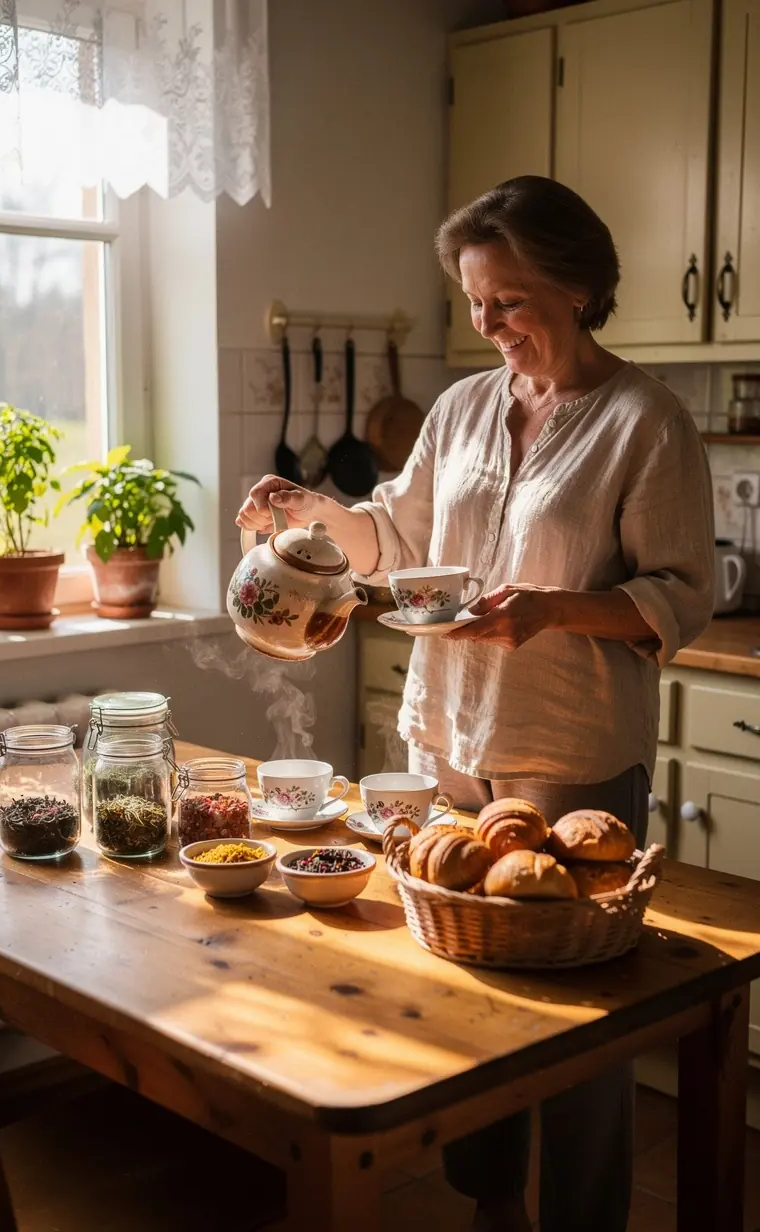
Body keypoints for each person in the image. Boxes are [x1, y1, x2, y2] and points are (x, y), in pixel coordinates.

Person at [236, 175, 715, 1232]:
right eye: (474, 301)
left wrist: (552, 609)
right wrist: (305, 514)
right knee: (467, 996)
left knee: (578, 1018)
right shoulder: (460, 406)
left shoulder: (645, 419)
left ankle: (583, 1215)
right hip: (451, 733)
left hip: (572, 746)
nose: (487, 323)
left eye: (507, 299)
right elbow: (394, 539)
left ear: (579, 286)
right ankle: (490, 1203)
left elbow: (686, 591)